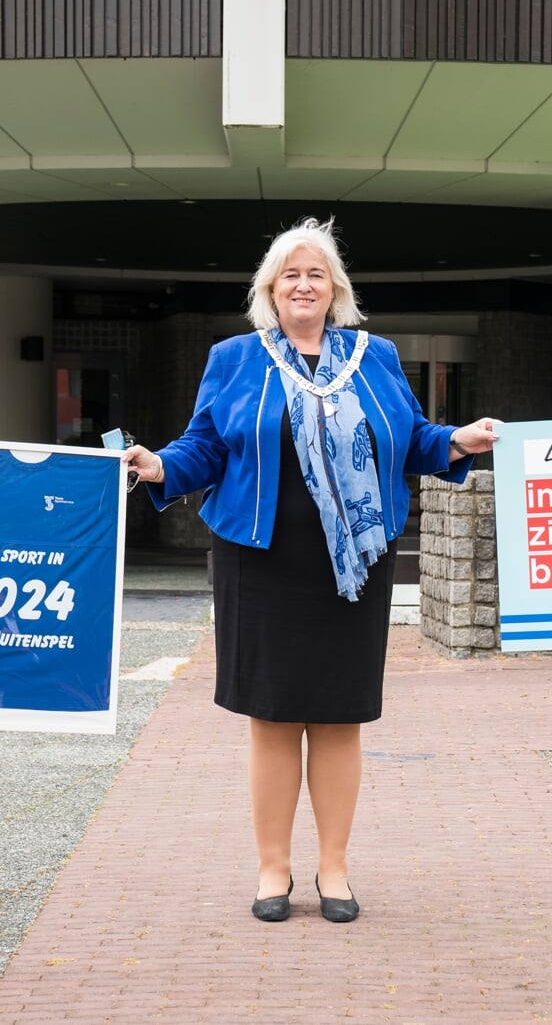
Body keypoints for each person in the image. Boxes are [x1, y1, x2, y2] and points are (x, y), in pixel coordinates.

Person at [123, 218, 498, 924]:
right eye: (290, 274)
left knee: (337, 718)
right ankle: (272, 870)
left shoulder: (375, 356)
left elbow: (411, 437)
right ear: (270, 289)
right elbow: (204, 447)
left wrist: (456, 440)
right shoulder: (236, 357)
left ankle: (334, 867)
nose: (303, 284)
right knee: (271, 717)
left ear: (336, 290)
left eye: (316, 274)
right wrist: (161, 465)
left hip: (353, 564)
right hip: (258, 560)